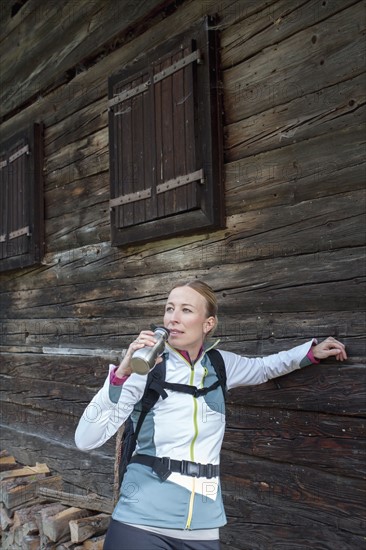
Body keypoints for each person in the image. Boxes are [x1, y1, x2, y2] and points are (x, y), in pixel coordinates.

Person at [75, 280, 347, 550]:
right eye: (169, 309)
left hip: (202, 527)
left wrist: (308, 353)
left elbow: (264, 367)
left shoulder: (220, 363)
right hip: (141, 521)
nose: (173, 318)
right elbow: (86, 439)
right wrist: (121, 374)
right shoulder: (145, 368)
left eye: (186, 310)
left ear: (208, 324)